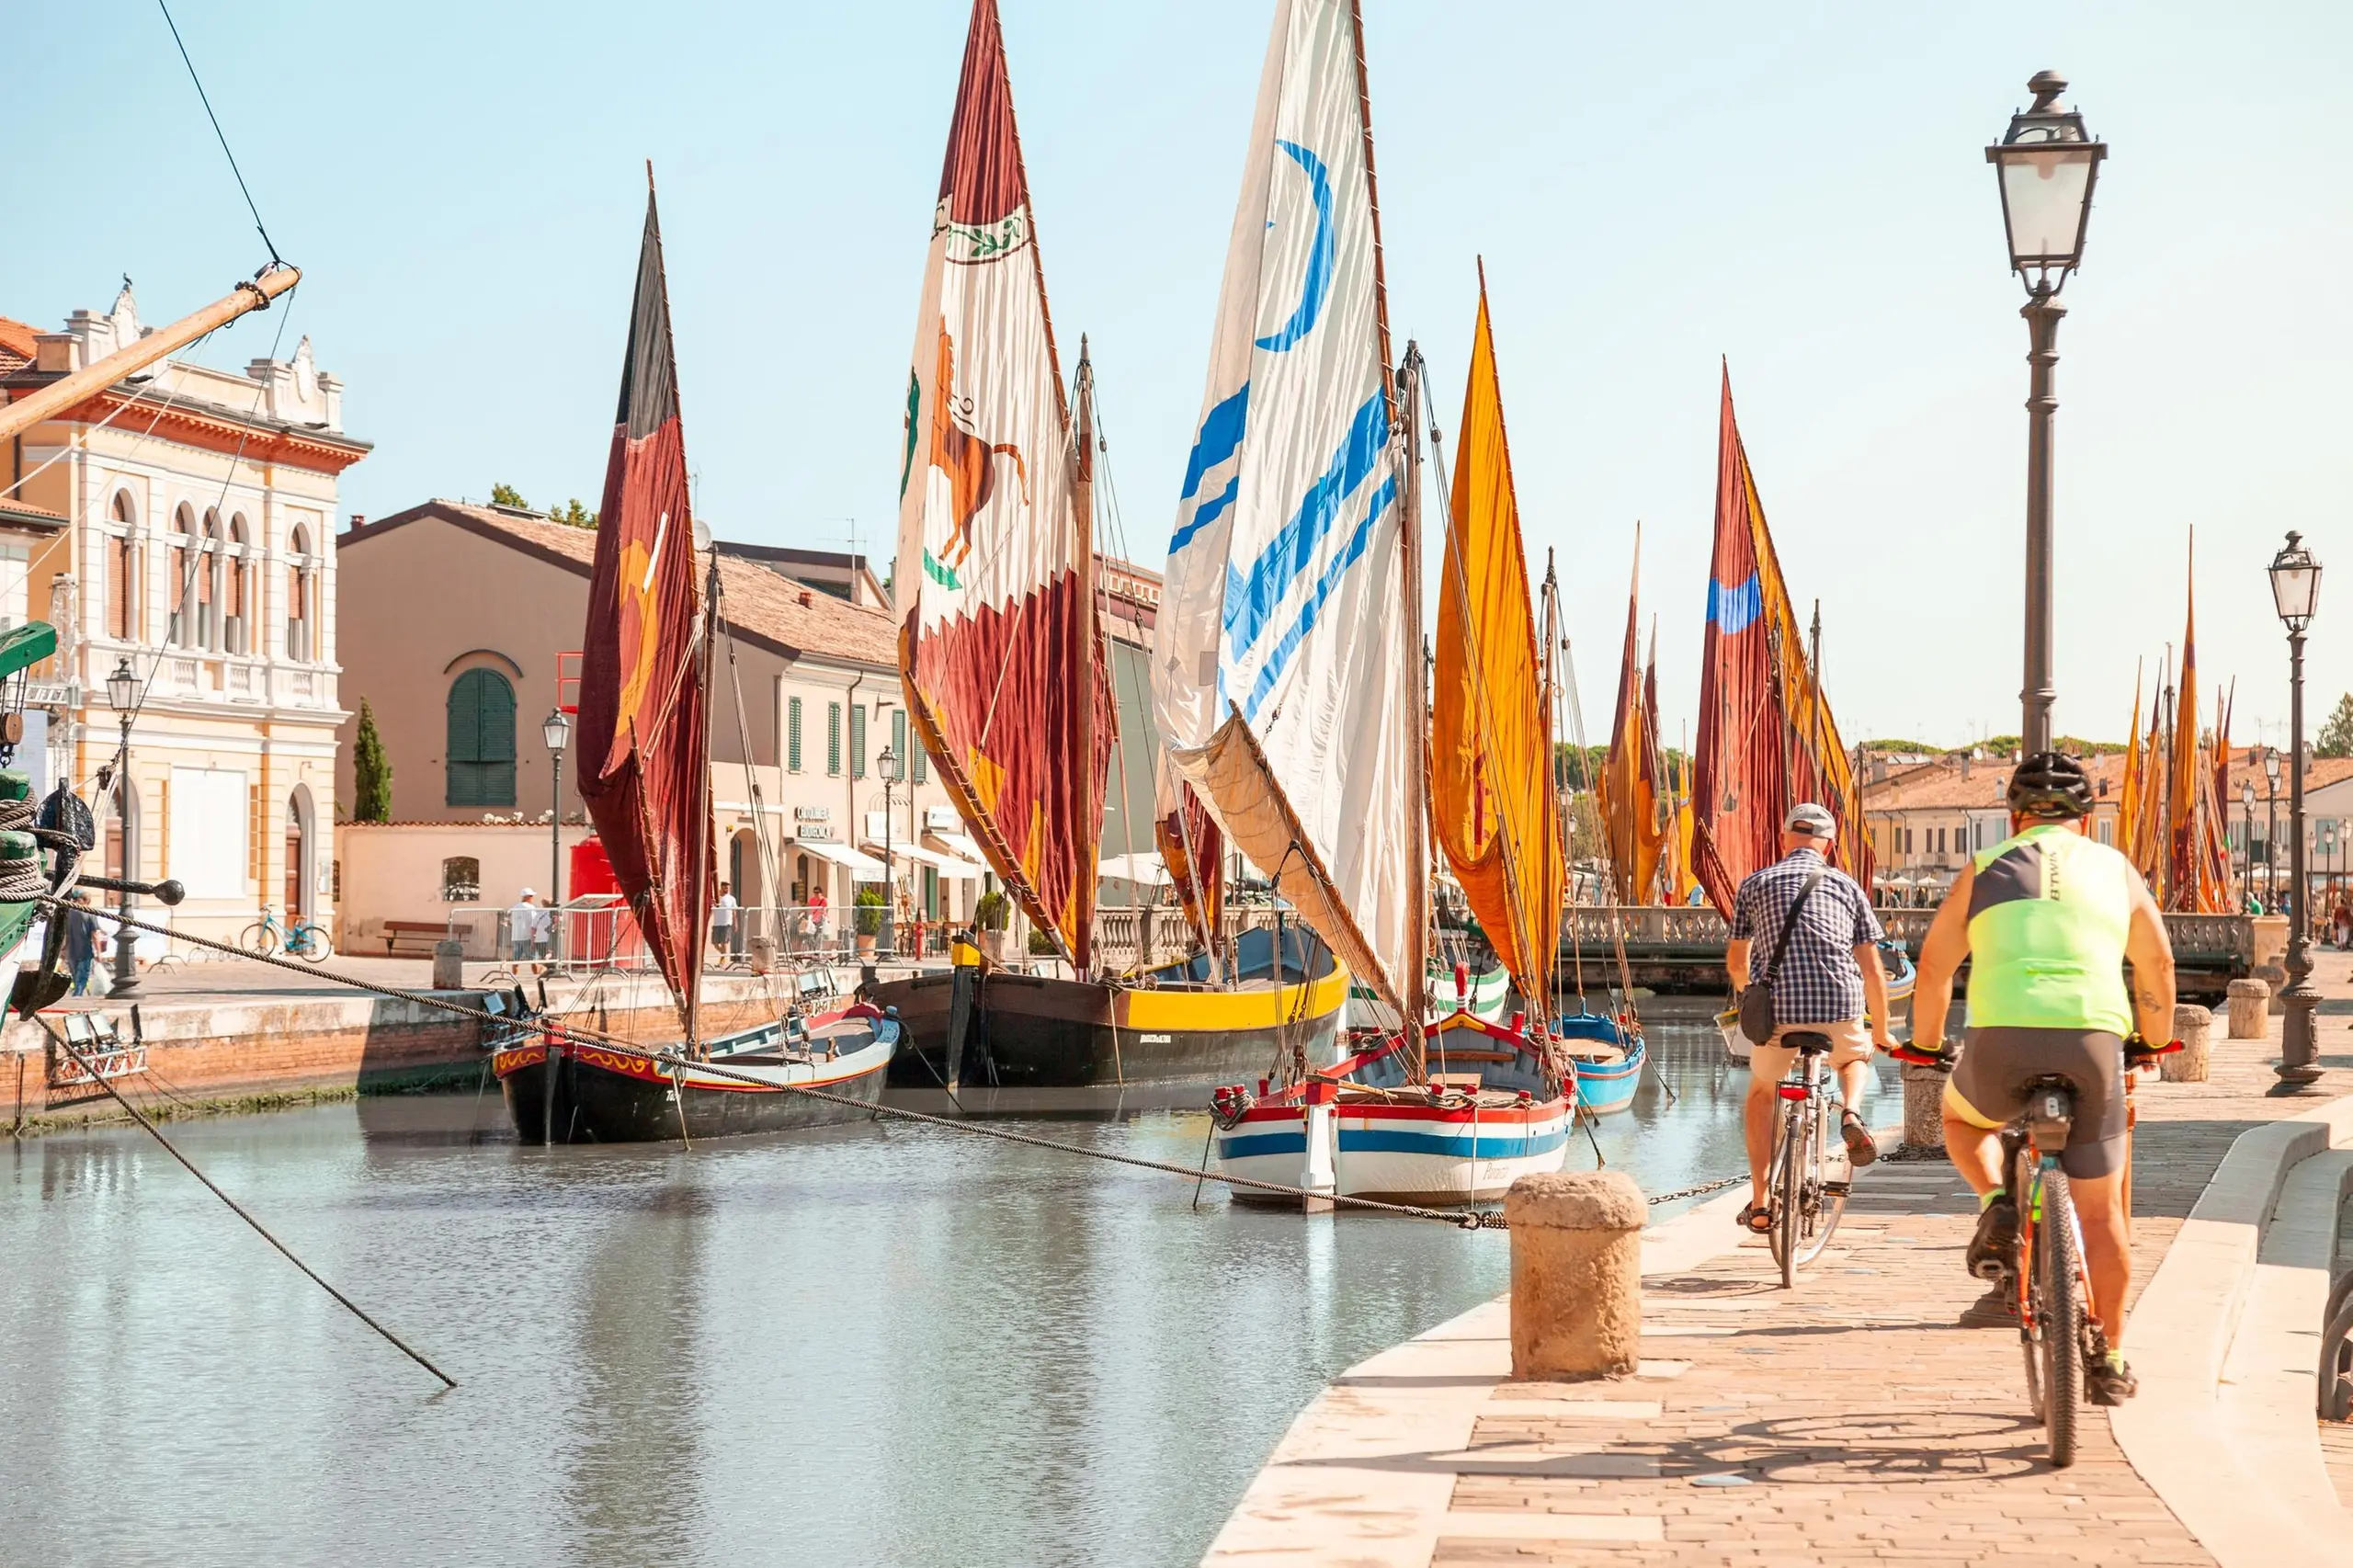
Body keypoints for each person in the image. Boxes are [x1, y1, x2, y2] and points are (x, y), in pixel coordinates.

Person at [1905, 751, 2175, 1407]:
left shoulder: (1984, 868)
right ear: (2087, 818)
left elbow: (1936, 968)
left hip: (2001, 1040)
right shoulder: (2117, 870)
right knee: (2102, 1214)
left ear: (2014, 815)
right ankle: (2109, 1355)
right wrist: (2155, 1039)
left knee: (1963, 1120)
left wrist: (1924, 1045)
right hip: (2093, 1042)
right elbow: (2159, 965)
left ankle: (1998, 1202)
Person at [1726, 802, 1894, 1236]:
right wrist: (1883, 1029)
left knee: (1762, 1093)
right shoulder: (1847, 887)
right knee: (1855, 1059)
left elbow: (1736, 962)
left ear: (1785, 839)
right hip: (1840, 1006)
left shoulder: (1755, 884)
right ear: (1830, 845)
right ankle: (1852, 1112)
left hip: (1777, 1013)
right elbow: (1873, 971)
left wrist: (1749, 996)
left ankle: (1761, 1203)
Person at [507, 889, 540, 965]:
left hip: (516, 936)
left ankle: (514, 975)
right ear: (527, 897)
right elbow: (535, 921)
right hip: (527, 936)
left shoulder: (515, 907)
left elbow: (511, 921)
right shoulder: (531, 907)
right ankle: (537, 974)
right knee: (533, 959)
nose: (532, 898)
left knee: (516, 961)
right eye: (531, 896)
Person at [712, 881, 738, 961]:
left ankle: (722, 959)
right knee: (715, 944)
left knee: (724, 942)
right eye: (725, 887)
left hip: (726, 923)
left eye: (728, 888)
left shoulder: (731, 899)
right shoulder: (716, 898)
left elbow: (734, 911)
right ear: (721, 887)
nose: (727, 889)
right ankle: (723, 954)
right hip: (717, 923)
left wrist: (735, 923)